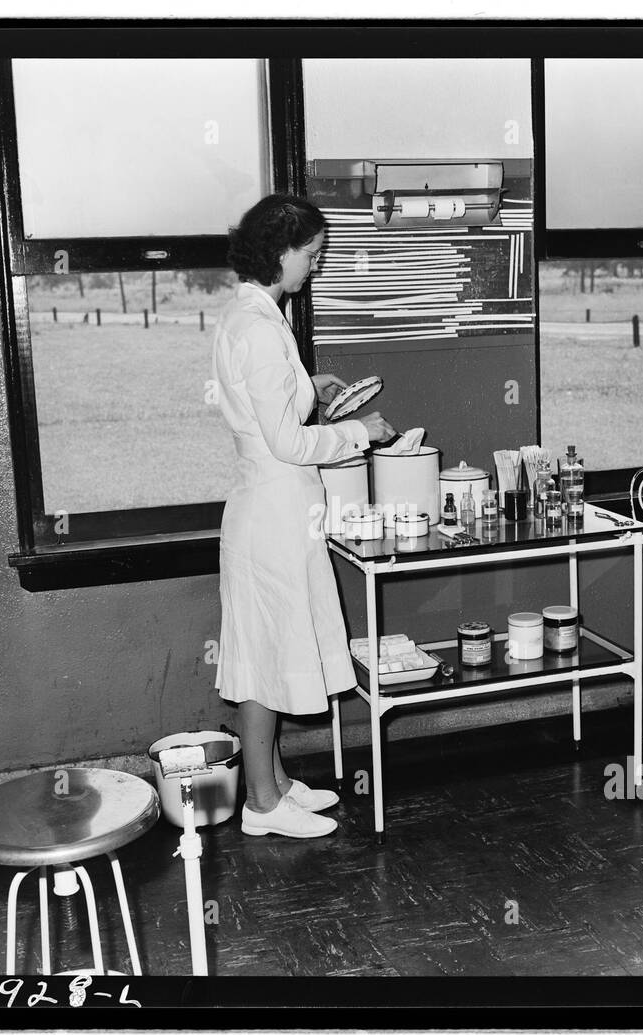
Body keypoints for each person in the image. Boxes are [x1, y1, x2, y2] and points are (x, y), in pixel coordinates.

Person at [212, 193, 394, 839]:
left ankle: (278, 784)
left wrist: (317, 387)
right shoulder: (259, 327)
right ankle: (261, 804)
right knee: (264, 662)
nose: (314, 267)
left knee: (271, 649)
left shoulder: (254, 315)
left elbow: (273, 408)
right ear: (279, 251)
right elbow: (287, 442)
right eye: (311, 255)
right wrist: (355, 432)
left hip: (276, 508)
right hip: (273, 512)